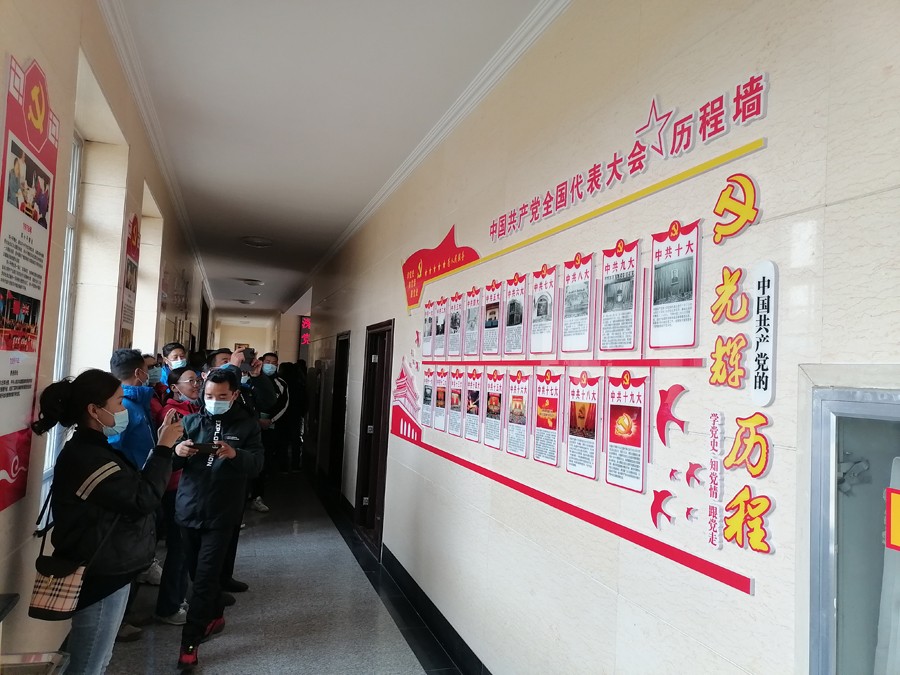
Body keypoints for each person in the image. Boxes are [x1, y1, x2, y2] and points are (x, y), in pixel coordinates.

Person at [30, 369, 182, 675]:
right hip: (100, 570)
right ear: (94, 410)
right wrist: (164, 449)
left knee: (99, 657)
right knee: (89, 664)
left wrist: (164, 450)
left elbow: (132, 489)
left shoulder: (97, 448)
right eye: (118, 402)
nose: (123, 408)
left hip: (112, 565)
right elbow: (142, 498)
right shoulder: (86, 456)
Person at [173, 368, 264, 670]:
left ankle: (189, 643)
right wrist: (178, 450)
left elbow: (257, 465)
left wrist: (235, 455)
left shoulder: (248, 425)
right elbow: (167, 460)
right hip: (188, 509)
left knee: (205, 578)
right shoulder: (190, 422)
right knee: (196, 574)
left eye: (222, 396)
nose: (214, 401)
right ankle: (214, 614)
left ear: (235, 394)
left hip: (222, 513)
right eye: (210, 395)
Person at [152, 367, 202, 626]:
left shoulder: (193, 408)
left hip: (187, 485)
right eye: (190, 381)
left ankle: (177, 599)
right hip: (174, 487)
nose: (196, 384)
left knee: (183, 547)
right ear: (174, 387)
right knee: (179, 548)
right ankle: (169, 606)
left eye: (197, 380)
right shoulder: (172, 413)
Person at [248, 353, 290, 512]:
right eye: (267, 361)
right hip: (249, 426)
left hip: (268, 428)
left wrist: (270, 420)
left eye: (274, 363)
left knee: (263, 461)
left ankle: (257, 496)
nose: (270, 365)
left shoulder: (281, 383)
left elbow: (284, 405)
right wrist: (255, 419)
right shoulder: (248, 379)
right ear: (261, 362)